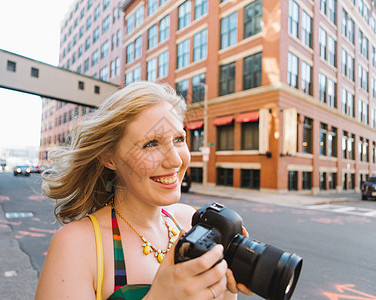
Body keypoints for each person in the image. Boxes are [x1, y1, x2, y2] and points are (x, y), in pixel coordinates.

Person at [35, 82, 252, 299]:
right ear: (109, 158)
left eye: (178, 139)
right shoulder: (77, 244)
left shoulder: (190, 222)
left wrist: (223, 289)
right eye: (151, 144)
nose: (175, 160)